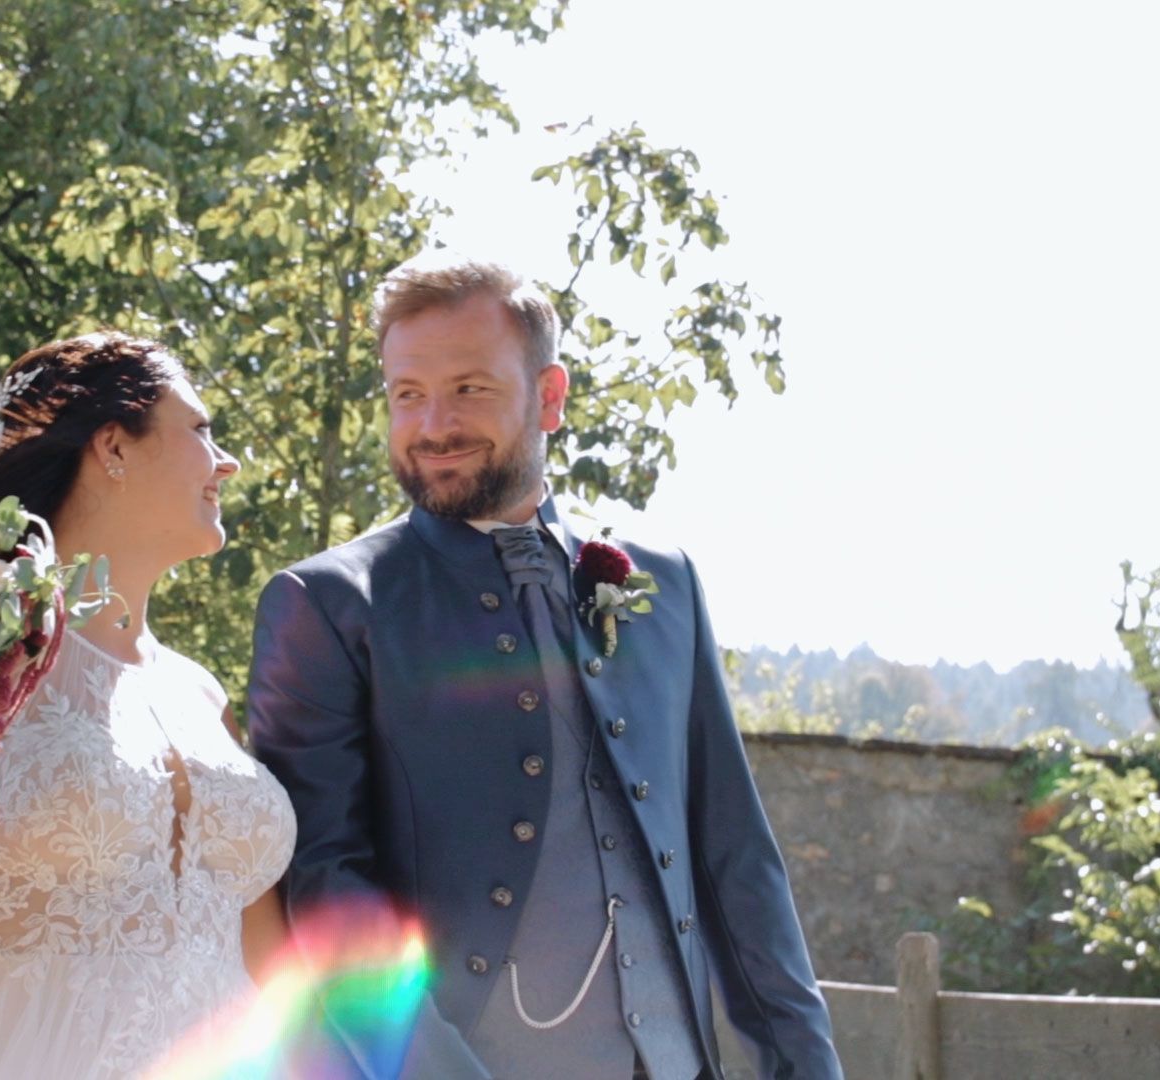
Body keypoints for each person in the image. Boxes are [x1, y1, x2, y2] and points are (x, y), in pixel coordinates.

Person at [247, 254, 843, 1079]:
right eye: (406, 394)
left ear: (550, 396)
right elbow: (324, 884)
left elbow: (734, 854)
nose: (432, 425)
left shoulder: (660, 582)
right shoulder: (325, 604)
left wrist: (806, 1067)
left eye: (470, 389)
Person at [0, 331, 296, 1078]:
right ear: (114, 447)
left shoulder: (202, 695)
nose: (225, 460)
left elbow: (269, 964)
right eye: (200, 431)